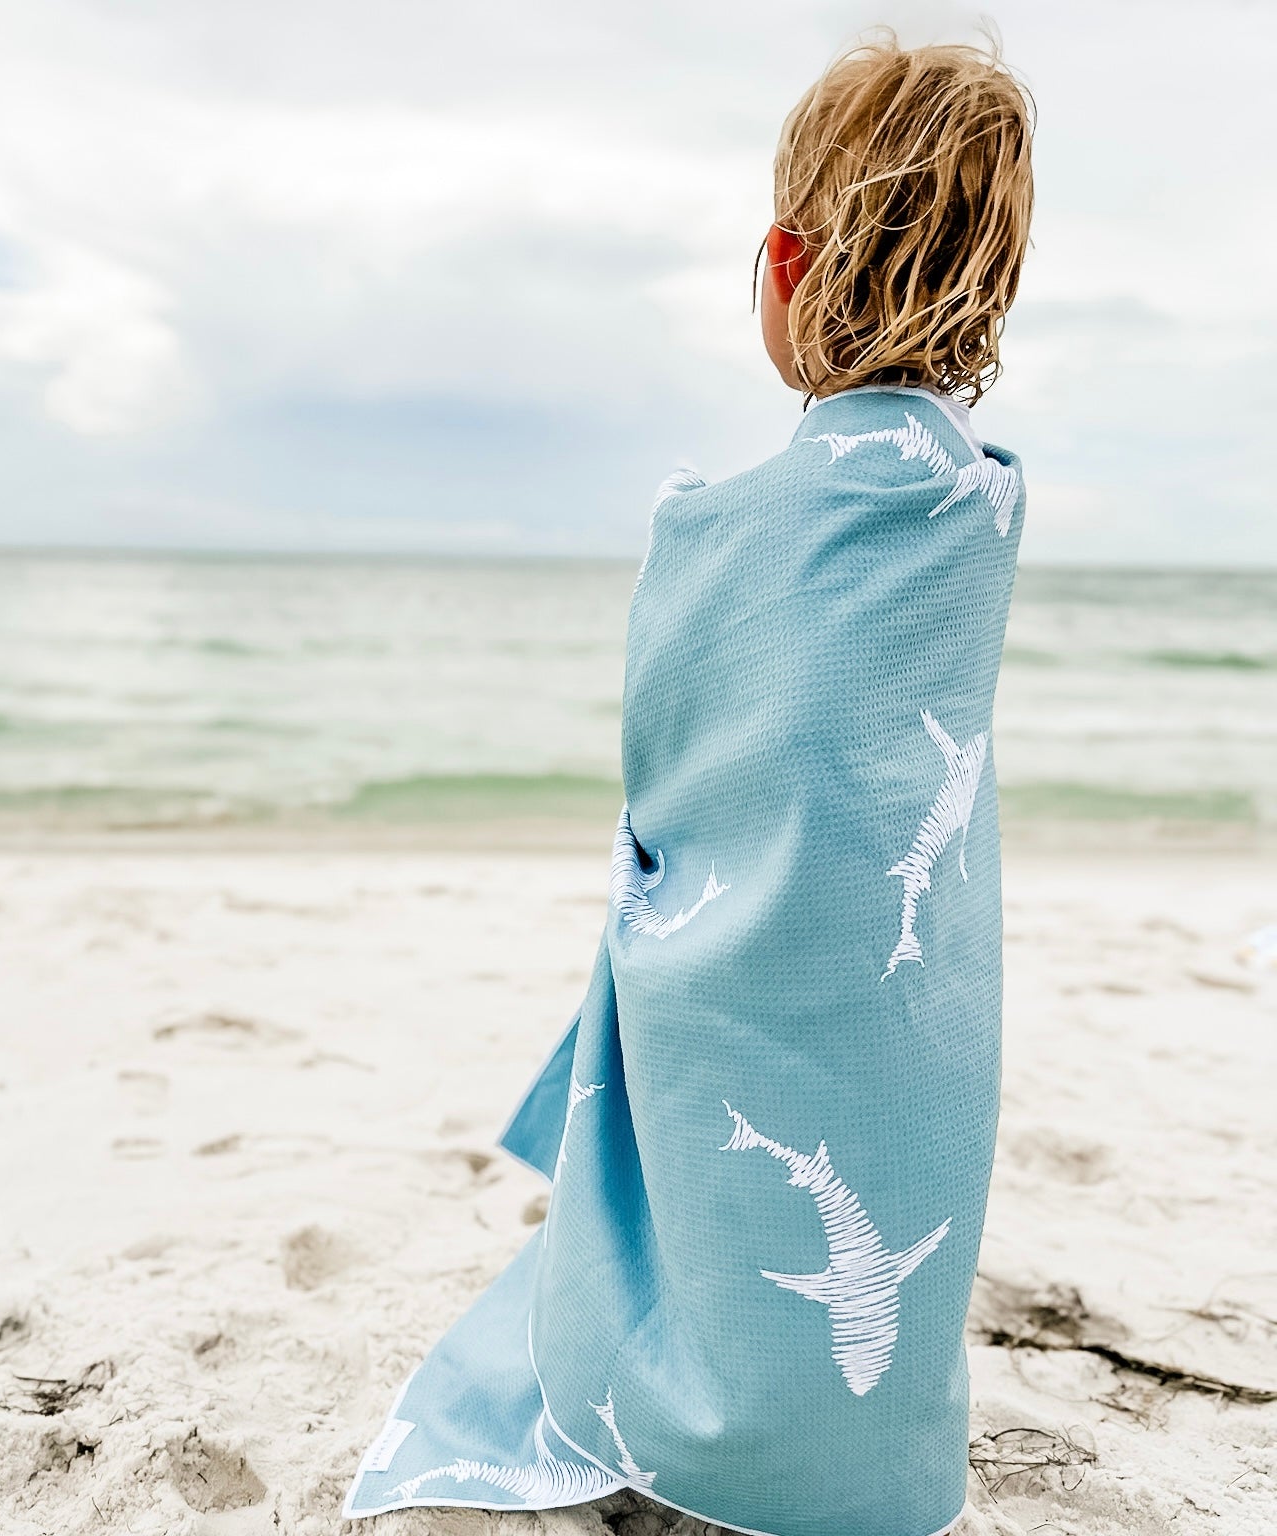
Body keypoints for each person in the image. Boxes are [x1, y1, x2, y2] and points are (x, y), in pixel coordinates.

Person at [345, 30, 1034, 1536]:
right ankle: (855, 1461)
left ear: (785, 264)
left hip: (745, 983)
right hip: (915, 994)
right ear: (994, 281)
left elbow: (674, 785)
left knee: (666, 989)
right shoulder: (980, 505)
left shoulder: (718, 529)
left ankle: (680, 1420)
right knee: (890, 1161)